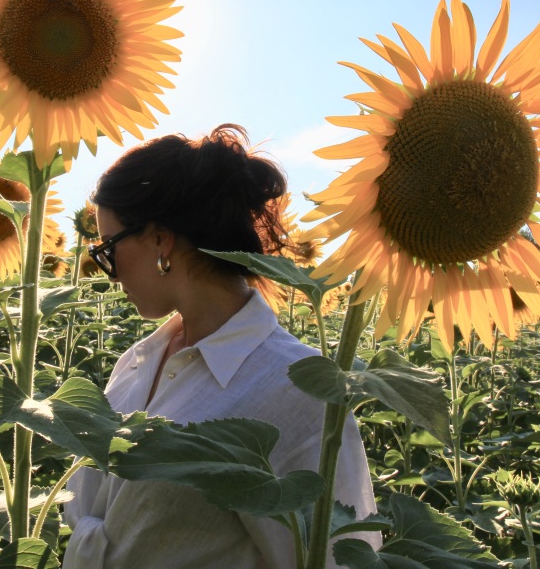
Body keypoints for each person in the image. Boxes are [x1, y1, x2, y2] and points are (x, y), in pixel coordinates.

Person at [62, 125, 380, 568]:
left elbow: (335, 557)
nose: (109, 273)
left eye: (109, 249)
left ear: (159, 239)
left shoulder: (296, 387)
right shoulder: (136, 363)